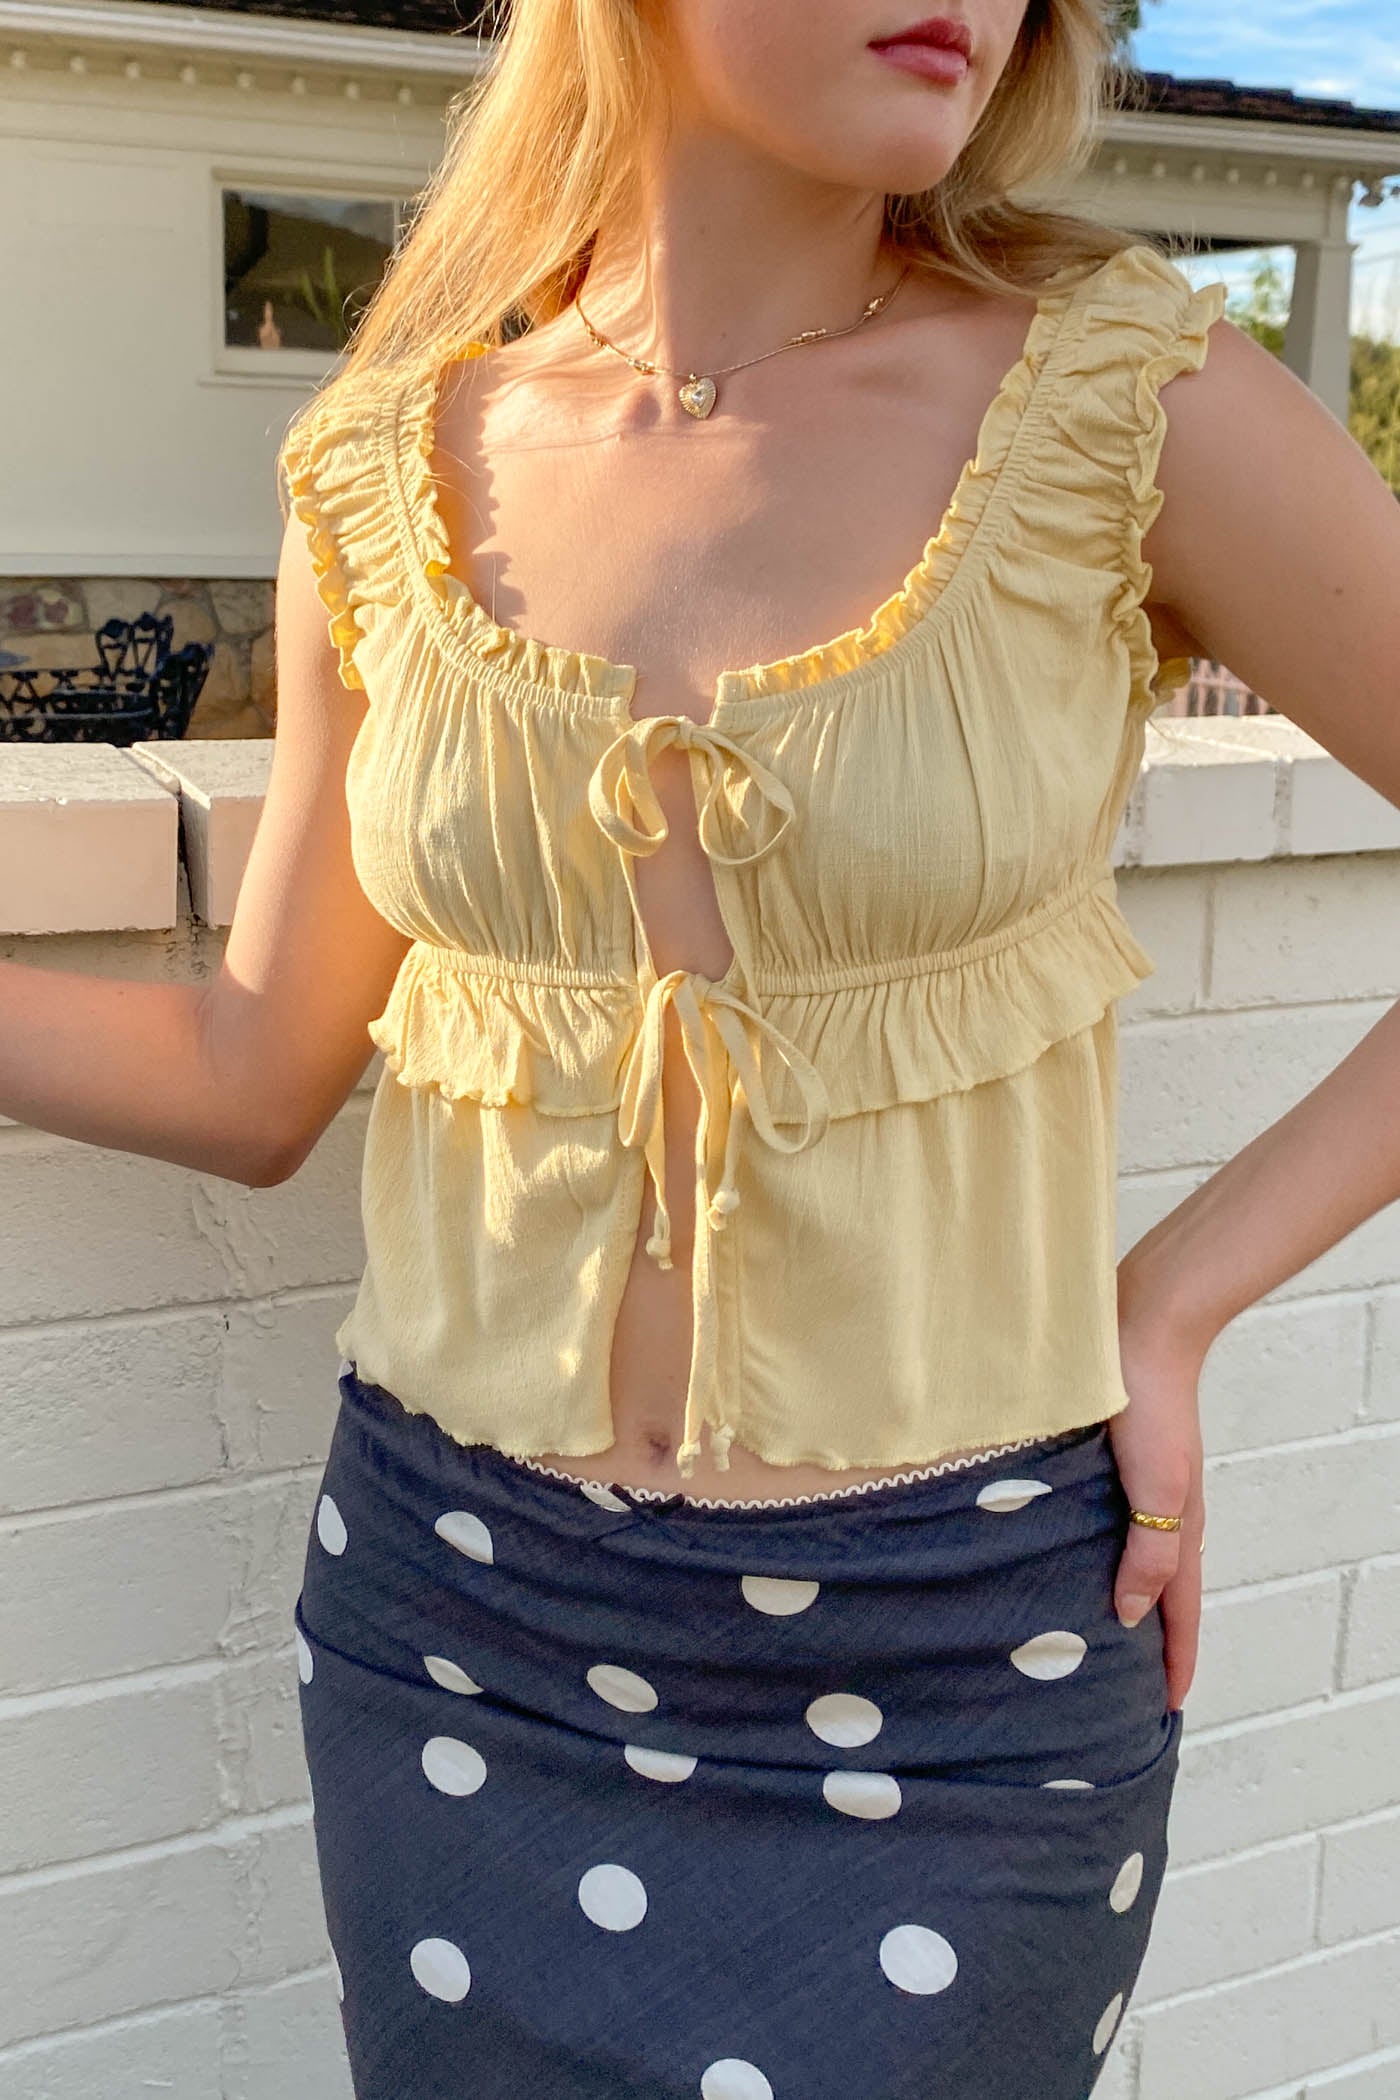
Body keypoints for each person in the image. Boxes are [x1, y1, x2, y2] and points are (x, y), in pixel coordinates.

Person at [4, 0, 1399, 2094]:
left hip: (960, 1648)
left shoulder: (1128, 395)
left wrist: (1173, 1306)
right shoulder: (387, 464)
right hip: (458, 1625)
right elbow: (252, 1068)